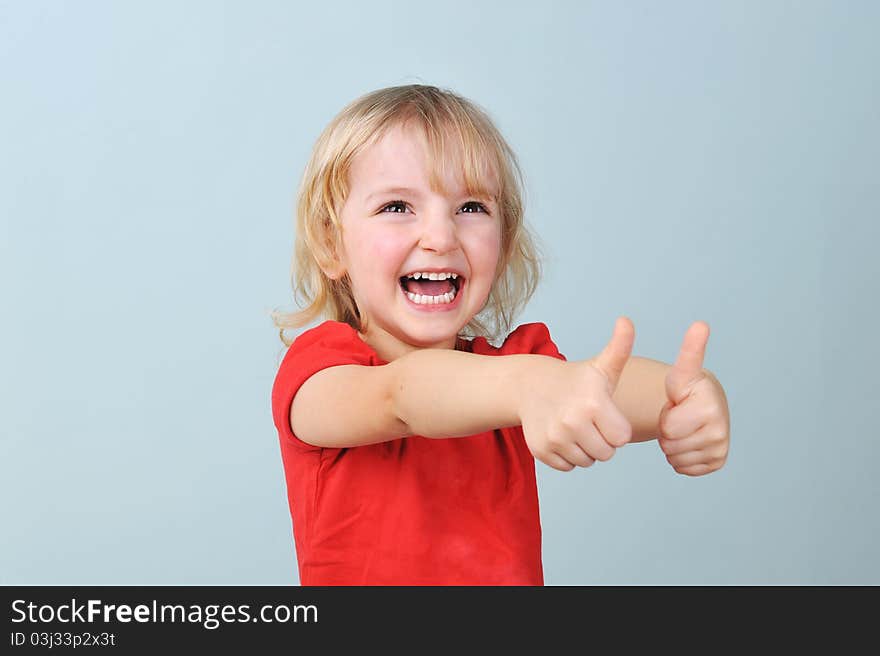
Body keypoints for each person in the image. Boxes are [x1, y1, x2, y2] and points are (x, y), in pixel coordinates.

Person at [270, 84, 731, 585]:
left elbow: (592, 385)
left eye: (471, 208)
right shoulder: (320, 372)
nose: (441, 237)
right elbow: (399, 395)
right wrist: (527, 386)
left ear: (503, 243)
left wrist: (690, 398)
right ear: (330, 243)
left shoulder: (515, 372)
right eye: (397, 207)